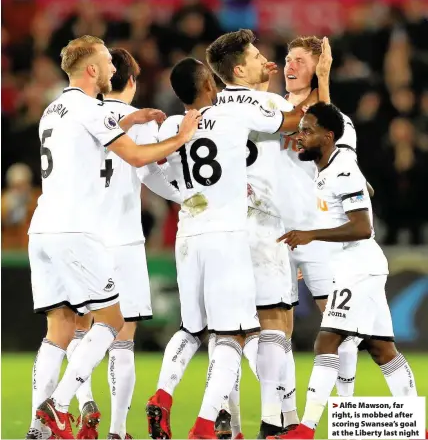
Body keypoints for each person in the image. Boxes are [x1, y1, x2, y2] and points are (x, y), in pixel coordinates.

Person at [26, 35, 200, 440]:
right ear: (91, 69)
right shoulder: (91, 108)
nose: (110, 68)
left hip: (43, 230)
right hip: (77, 231)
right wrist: (183, 134)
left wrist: (128, 120)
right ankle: (59, 405)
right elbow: (140, 158)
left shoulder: (53, 109)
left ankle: (38, 427)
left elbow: (85, 138)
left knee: (60, 328)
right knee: (113, 320)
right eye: (105, 62)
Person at [145, 57, 317, 440]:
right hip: (228, 236)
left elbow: (144, 169)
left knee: (191, 328)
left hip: (188, 236)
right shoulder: (233, 117)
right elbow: (293, 121)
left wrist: (180, 196)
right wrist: (317, 80)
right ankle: (208, 424)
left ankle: (164, 393)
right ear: (209, 83)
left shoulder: (174, 125)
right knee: (233, 336)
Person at [205, 30, 330, 439]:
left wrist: (257, 86)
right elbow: (315, 127)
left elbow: (251, 115)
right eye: (258, 56)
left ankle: (226, 413)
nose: (268, 61)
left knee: (230, 329)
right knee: (276, 322)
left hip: (219, 227)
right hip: (266, 227)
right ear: (240, 68)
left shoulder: (212, 108)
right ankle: (274, 420)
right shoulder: (270, 104)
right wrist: (322, 78)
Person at [272, 102, 418, 440]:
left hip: (358, 266)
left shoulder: (342, 170)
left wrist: (311, 236)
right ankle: (416, 427)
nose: (300, 137)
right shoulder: (332, 168)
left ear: (328, 136)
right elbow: (367, 192)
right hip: (358, 266)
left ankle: (305, 429)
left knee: (327, 341)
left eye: (307, 131)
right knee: (382, 349)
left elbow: (362, 227)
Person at [67, 47, 182, 440]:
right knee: (122, 338)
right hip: (124, 240)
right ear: (132, 81)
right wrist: (189, 197)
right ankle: (117, 430)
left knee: (81, 330)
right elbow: (153, 176)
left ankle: (84, 408)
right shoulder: (141, 125)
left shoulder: (80, 116)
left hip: (81, 237)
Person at [279, 36, 364, 418]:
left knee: (340, 326)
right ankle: (282, 416)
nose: (289, 66)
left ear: (318, 70)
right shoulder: (270, 110)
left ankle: (344, 414)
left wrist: (326, 84)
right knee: (268, 332)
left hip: (317, 237)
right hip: (273, 235)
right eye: (286, 59)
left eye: (300, 60)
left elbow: (342, 153)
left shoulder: (336, 122)